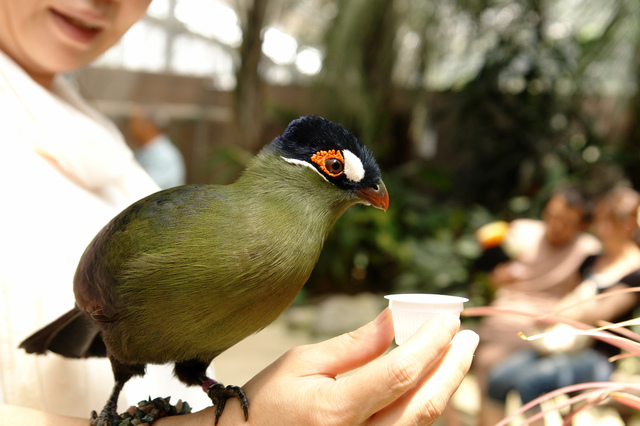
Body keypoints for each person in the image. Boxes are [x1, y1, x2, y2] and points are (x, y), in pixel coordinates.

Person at [0, 1, 478, 424]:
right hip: (100, 339)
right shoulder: (171, 221)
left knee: (197, 372)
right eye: (334, 168)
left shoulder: (102, 141)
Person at [486, 187, 640, 417]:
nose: (602, 230)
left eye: (609, 223)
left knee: (532, 384)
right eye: (600, 222)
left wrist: (556, 316)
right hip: (560, 345)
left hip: (597, 357)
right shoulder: (592, 259)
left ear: (628, 225)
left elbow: (600, 312)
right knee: (498, 379)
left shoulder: (635, 272)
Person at [472, 187, 602, 425]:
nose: (554, 224)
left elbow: (588, 294)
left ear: (581, 225)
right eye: (550, 215)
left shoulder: (588, 250)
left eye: (565, 221)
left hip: (536, 330)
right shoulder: (522, 231)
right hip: (496, 320)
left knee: (489, 362)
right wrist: (502, 274)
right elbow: (491, 273)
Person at [127, 106, 186, 189]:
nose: (130, 127)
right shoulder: (145, 151)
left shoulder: (165, 155)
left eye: (134, 122)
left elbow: (144, 187)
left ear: (148, 125)